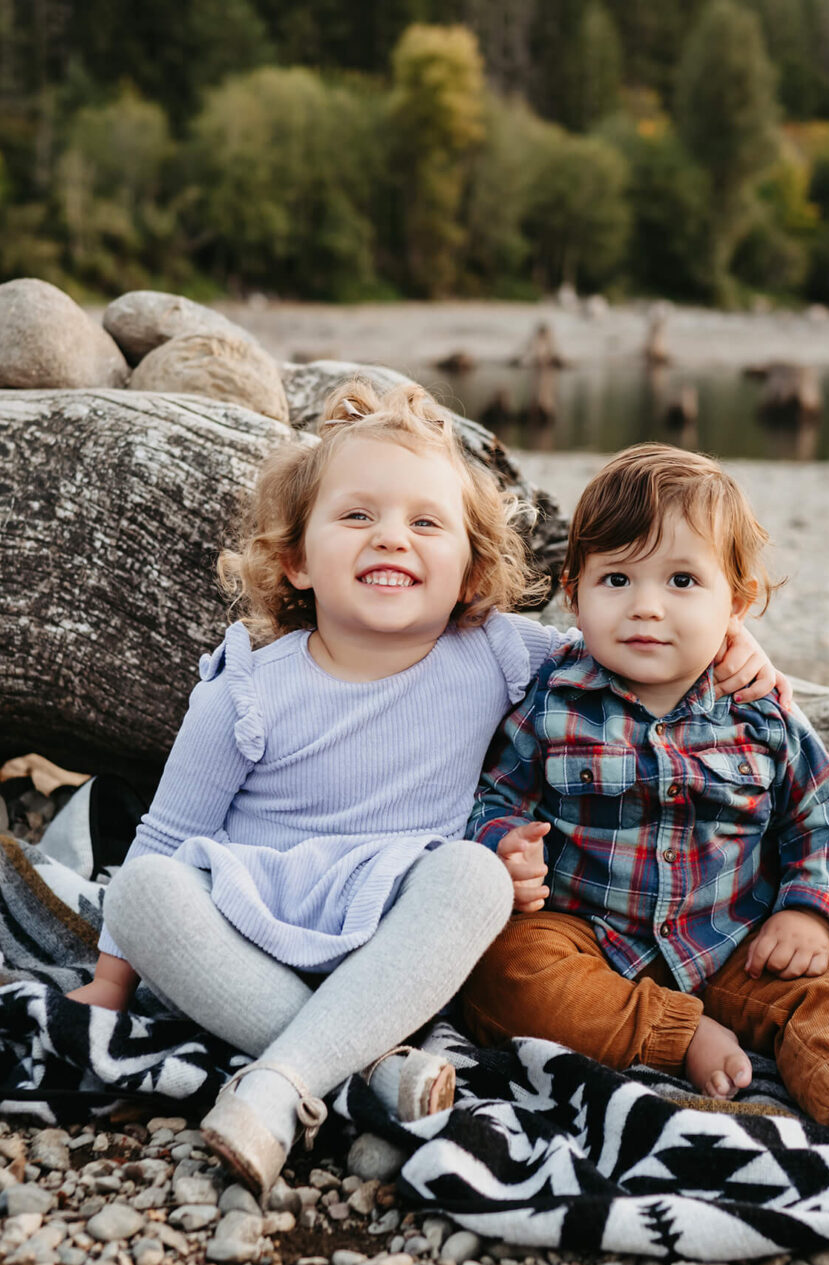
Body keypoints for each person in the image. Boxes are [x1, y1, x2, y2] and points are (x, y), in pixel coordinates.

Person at [70, 384, 783, 1194]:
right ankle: (360, 1078)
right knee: (144, 888)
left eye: (425, 522)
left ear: (473, 568)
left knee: (478, 875)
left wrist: (733, 637)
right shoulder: (246, 689)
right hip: (249, 931)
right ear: (297, 557)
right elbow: (166, 835)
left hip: (400, 944)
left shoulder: (496, 653)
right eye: (357, 516)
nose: (391, 539)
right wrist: (110, 979)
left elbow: (630, 636)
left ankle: (278, 1081)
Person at [457, 444, 829, 1139]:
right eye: (616, 579)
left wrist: (810, 913)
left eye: (680, 579)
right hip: (592, 939)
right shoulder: (553, 699)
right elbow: (496, 797)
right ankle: (680, 1036)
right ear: (573, 593)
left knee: (827, 989)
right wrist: (503, 845)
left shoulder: (757, 710)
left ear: (735, 603)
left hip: (734, 939)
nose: (646, 607)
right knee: (505, 969)